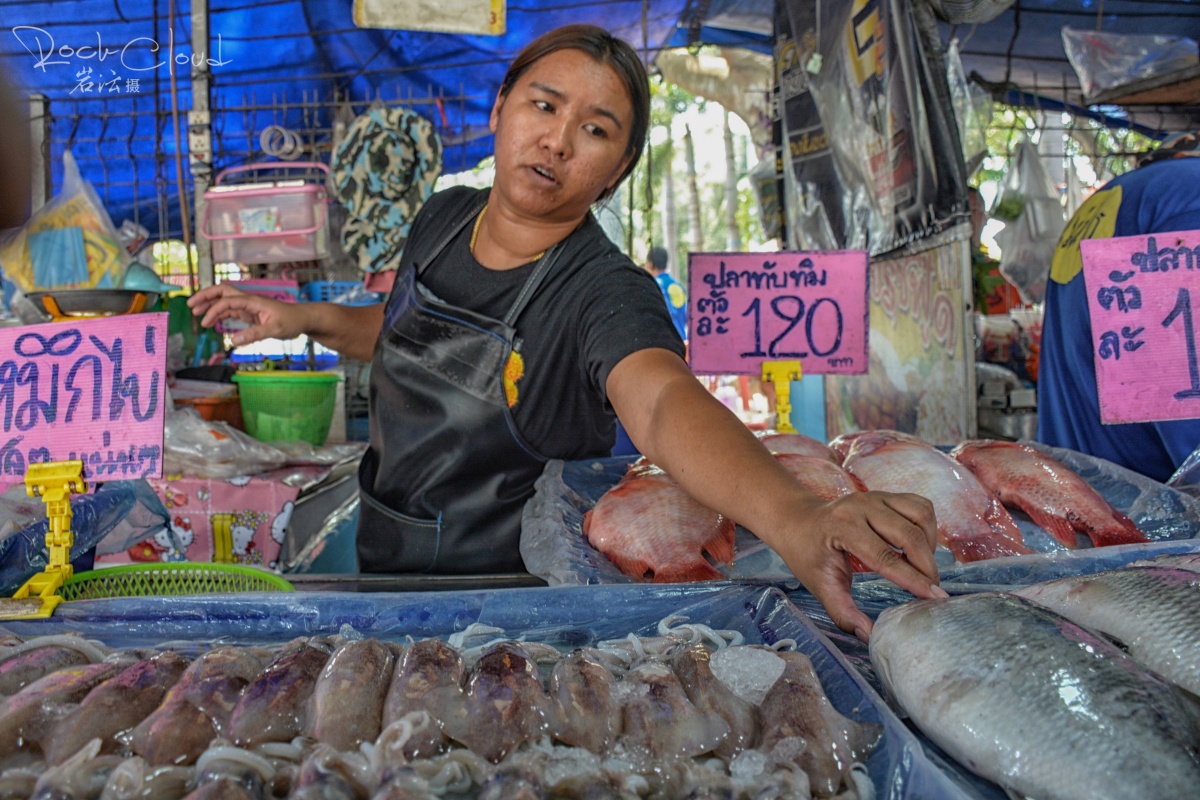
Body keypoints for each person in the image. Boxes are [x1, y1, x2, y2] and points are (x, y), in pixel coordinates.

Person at [190, 24, 941, 639]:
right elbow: (399, 330)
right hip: (384, 563)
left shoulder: (605, 290)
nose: (556, 141)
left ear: (615, 172)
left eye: (594, 130)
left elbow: (661, 403)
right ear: (500, 109)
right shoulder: (443, 219)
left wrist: (798, 517)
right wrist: (302, 319)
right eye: (543, 107)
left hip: (521, 611)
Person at [1038, 132, 1200, 483]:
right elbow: (1187, 385)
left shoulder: (1113, 197)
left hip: (1080, 487)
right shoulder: (1191, 201)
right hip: (1156, 508)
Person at [645, 244, 688, 340]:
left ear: (650, 265)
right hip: (682, 342)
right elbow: (687, 316)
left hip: (664, 343)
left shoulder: (652, 286)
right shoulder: (677, 285)